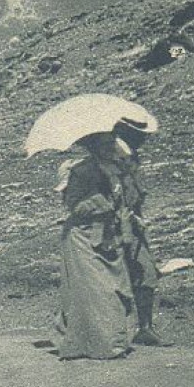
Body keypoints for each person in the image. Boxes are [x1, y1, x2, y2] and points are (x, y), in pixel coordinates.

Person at [54, 133, 135, 360]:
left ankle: (115, 341)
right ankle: (97, 345)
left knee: (115, 287)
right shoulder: (81, 171)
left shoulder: (115, 169)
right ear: (94, 147)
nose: (110, 148)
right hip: (83, 237)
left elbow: (122, 204)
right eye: (104, 145)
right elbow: (73, 206)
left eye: (111, 143)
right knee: (95, 292)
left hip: (108, 236)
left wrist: (123, 224)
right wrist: (98, 202)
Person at [113, 121, 164, 346]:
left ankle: (145, 328)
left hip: (133, 225)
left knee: (146, 271)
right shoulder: (117, 157)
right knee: (122, 276)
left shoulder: (130, 158)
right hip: (118, 226)